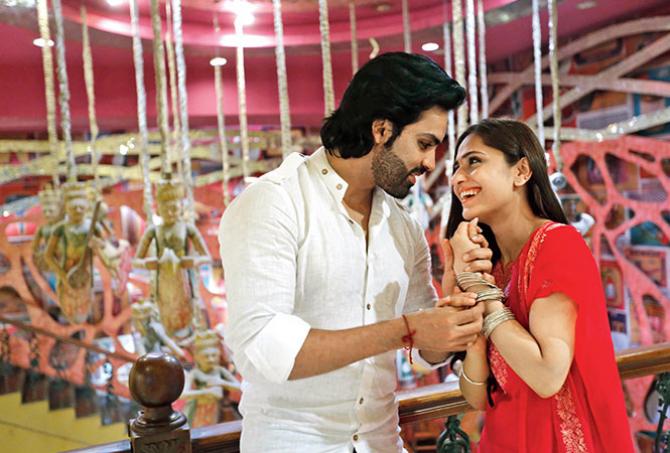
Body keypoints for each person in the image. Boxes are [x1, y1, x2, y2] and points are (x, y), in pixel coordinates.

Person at [219, 52, 490, 452]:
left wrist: (452, 297)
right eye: (424, 143)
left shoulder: (403, 226)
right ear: (381, 129)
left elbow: (423, 354)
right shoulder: (275, 202)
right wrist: (405, 329)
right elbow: (267, 349)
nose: (429, 162)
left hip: (382, 442)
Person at [443, 118, 633, 452]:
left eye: (474, 161)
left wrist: (479, 288)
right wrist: (468, 301)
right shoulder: (491, 264)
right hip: (503, 441)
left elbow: (547, 377)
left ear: (521, 171)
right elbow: (477, 397)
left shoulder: (557, 244)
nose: (458, 178)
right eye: (456, 167)